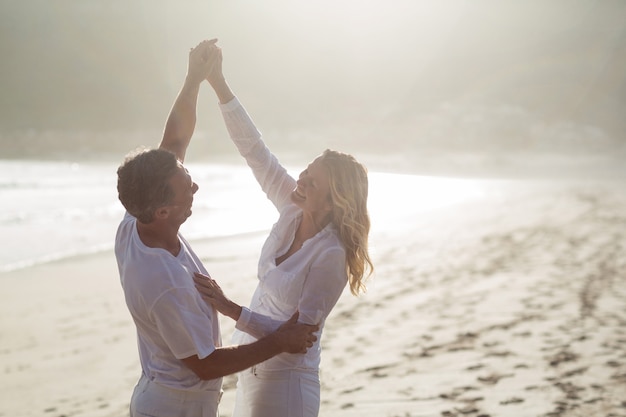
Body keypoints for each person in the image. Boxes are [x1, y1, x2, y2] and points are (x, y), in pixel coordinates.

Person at [115, 40, 319, 417]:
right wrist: (280, 340)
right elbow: (206, 364)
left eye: (188, 176)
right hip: (176, 408)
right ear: (162, 210)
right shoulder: (164, 281)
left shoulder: (135, 219)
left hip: (165, 396)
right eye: (186, 187)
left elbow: (174, 141)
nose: (195, 187)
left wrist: (195, 79)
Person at [192, 41, 374, 417]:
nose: (301, 181)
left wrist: (230, 308)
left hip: (288, 384)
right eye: (305, 171)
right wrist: (218, 83)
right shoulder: (292, 208)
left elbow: (296, 339)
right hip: (251, 372)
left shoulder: (331, 255)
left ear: (331, 201)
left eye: (313, 181)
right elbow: (254, 149)